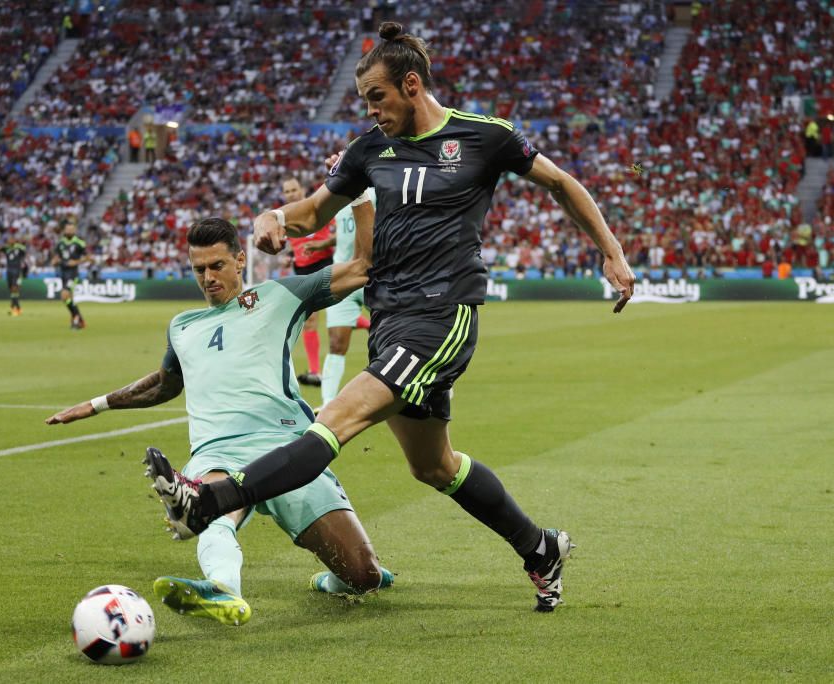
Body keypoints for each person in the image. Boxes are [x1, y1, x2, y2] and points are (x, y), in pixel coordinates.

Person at [151, 22, 636, 613]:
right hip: (390, 320)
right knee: (434, 466)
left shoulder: (484, 137)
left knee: (334, 420)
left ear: (412, 85)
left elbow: (561, 183)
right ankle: (541, 548)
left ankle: (210, 500)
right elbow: (312, 212)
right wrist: (274, 215)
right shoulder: (367, 151)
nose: (371, 111)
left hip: (442, 316)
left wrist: (610, 250)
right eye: (364, 101)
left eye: (377, 97)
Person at [46, 214, 392, 627]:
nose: (207, 277)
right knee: (204, 508)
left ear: (240, 259)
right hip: (218, 453)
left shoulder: (281, 296)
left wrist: (359, 195)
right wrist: (98, 404)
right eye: (198, 269)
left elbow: (361, 267)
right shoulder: (182, 327)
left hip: (288, 450)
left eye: (217, 266)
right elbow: (164, 384)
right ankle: (223, 589)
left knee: (364, 576)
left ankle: (335, 579)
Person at [319, 187, 374, 410]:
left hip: (374, 275)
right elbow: (345, 231)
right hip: (344, 275)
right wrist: (321, 245)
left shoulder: (375, 192)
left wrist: (359, 258)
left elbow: (371, 226)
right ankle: (327, 404)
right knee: (336, 343)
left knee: (392, 336)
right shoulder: (339, 196)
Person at [282, 176, 336, 387]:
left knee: (338, 313)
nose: (291, 194)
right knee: (311, 321)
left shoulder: (317, 207)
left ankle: (368, 324)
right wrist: (289, 257)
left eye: (293, 190)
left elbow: (336, 230)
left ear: (301, 189)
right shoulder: (285, 216)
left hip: (325, 263)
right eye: (287, 192)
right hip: (302, 271)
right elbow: (290, 246)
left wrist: (322, 245)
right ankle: (315, 371)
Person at [52, 221, 87, 329]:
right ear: (64, 230)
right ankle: (78, 320)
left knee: (64, 295)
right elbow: (57, 256)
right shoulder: (60, 243)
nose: (69, 231)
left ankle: (77, 319)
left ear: (75, 231)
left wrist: (76, 262)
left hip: (73, 273)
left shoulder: (80, 243)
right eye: (68, 229)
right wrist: (54, 261)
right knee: (68, 299)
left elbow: (89, 257)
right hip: (63, 272)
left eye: (71, 230)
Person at [2, 233, 27, 317]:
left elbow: (24, 250)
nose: (10, 241)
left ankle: (16, 309)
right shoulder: (7, 248)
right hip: (9, 270)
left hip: (17, 270)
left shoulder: (19, 247)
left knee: (14, 288)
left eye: (12, 239)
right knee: (11, 290)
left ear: (14, 240)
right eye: (9, 239)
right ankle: (14, 308)